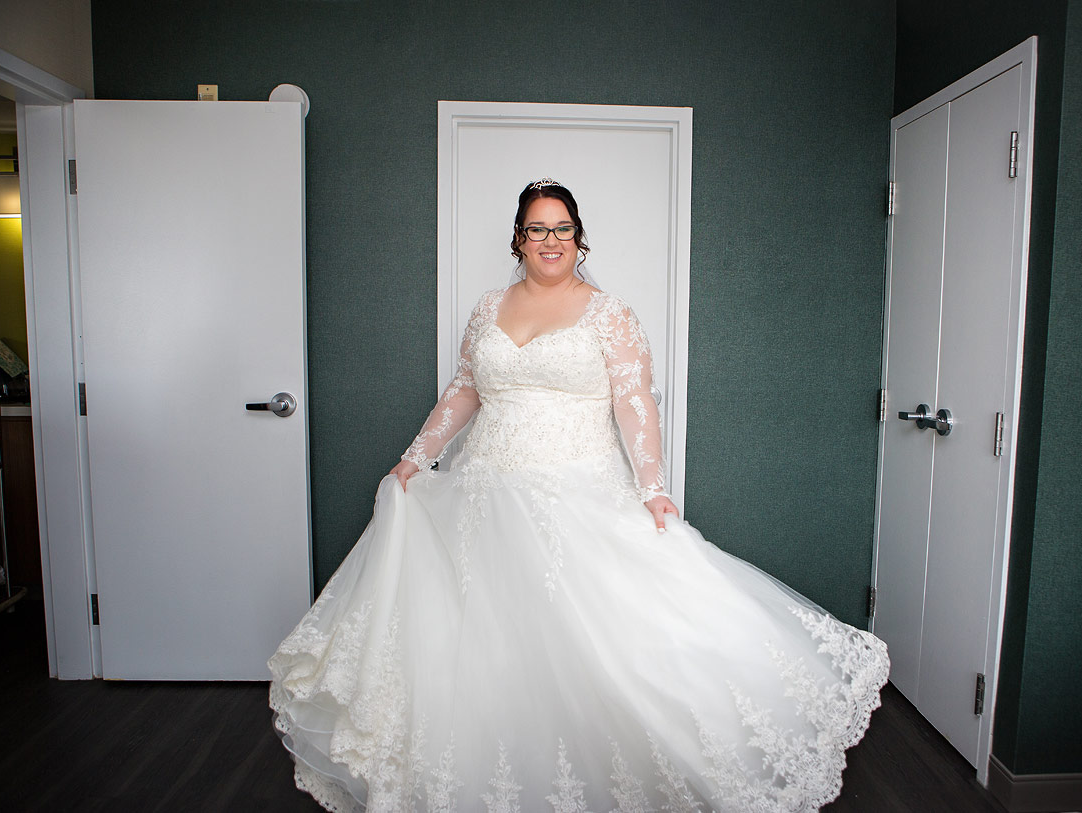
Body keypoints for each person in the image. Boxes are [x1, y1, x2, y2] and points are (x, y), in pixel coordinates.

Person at [268, 178, 890, 813]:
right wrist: (413, 459)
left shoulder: (608, 312)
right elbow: (464, 390)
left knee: (600, 637)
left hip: (574, 488)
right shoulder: (488, 308)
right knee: (485, 637)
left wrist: (652, 488)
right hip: (484, 492)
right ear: (519, 238)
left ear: (578, 237)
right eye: (537, 229)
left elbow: (633, 400)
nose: (550, 241)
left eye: (561, 229)